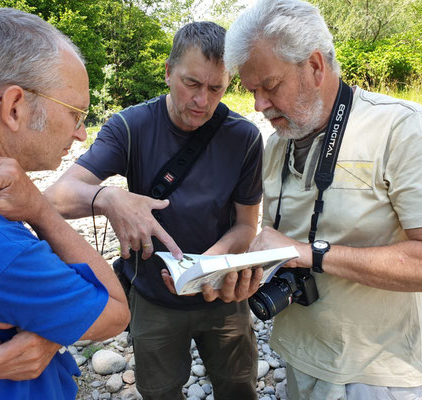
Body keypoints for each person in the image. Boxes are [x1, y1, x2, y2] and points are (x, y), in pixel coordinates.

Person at [224, 0, 422, 399]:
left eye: (269, 86)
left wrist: (311, 253)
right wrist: (241, 274)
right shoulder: (276, 145)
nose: (258, 105)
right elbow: (281, 246)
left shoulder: (402, 128)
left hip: (375, 375)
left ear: (316, 67)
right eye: (252, 90)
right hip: (297, 358)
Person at [44, 21, 264, 400]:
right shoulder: (131, 127)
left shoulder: (244, 137)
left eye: (216, 88)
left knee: (238, 385)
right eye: (191, 84)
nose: (202, 101)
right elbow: (56, 197)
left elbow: (246, 225)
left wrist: (208, 264)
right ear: (167, 72)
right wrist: (109, 198)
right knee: (159, 391)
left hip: (223, 293)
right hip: (152, 297)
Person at [0, 8, 130, 399]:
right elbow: (114, 312)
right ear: (14, 107)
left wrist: (46, 327)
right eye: (76, 112)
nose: (81, 134)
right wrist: (39, 209)